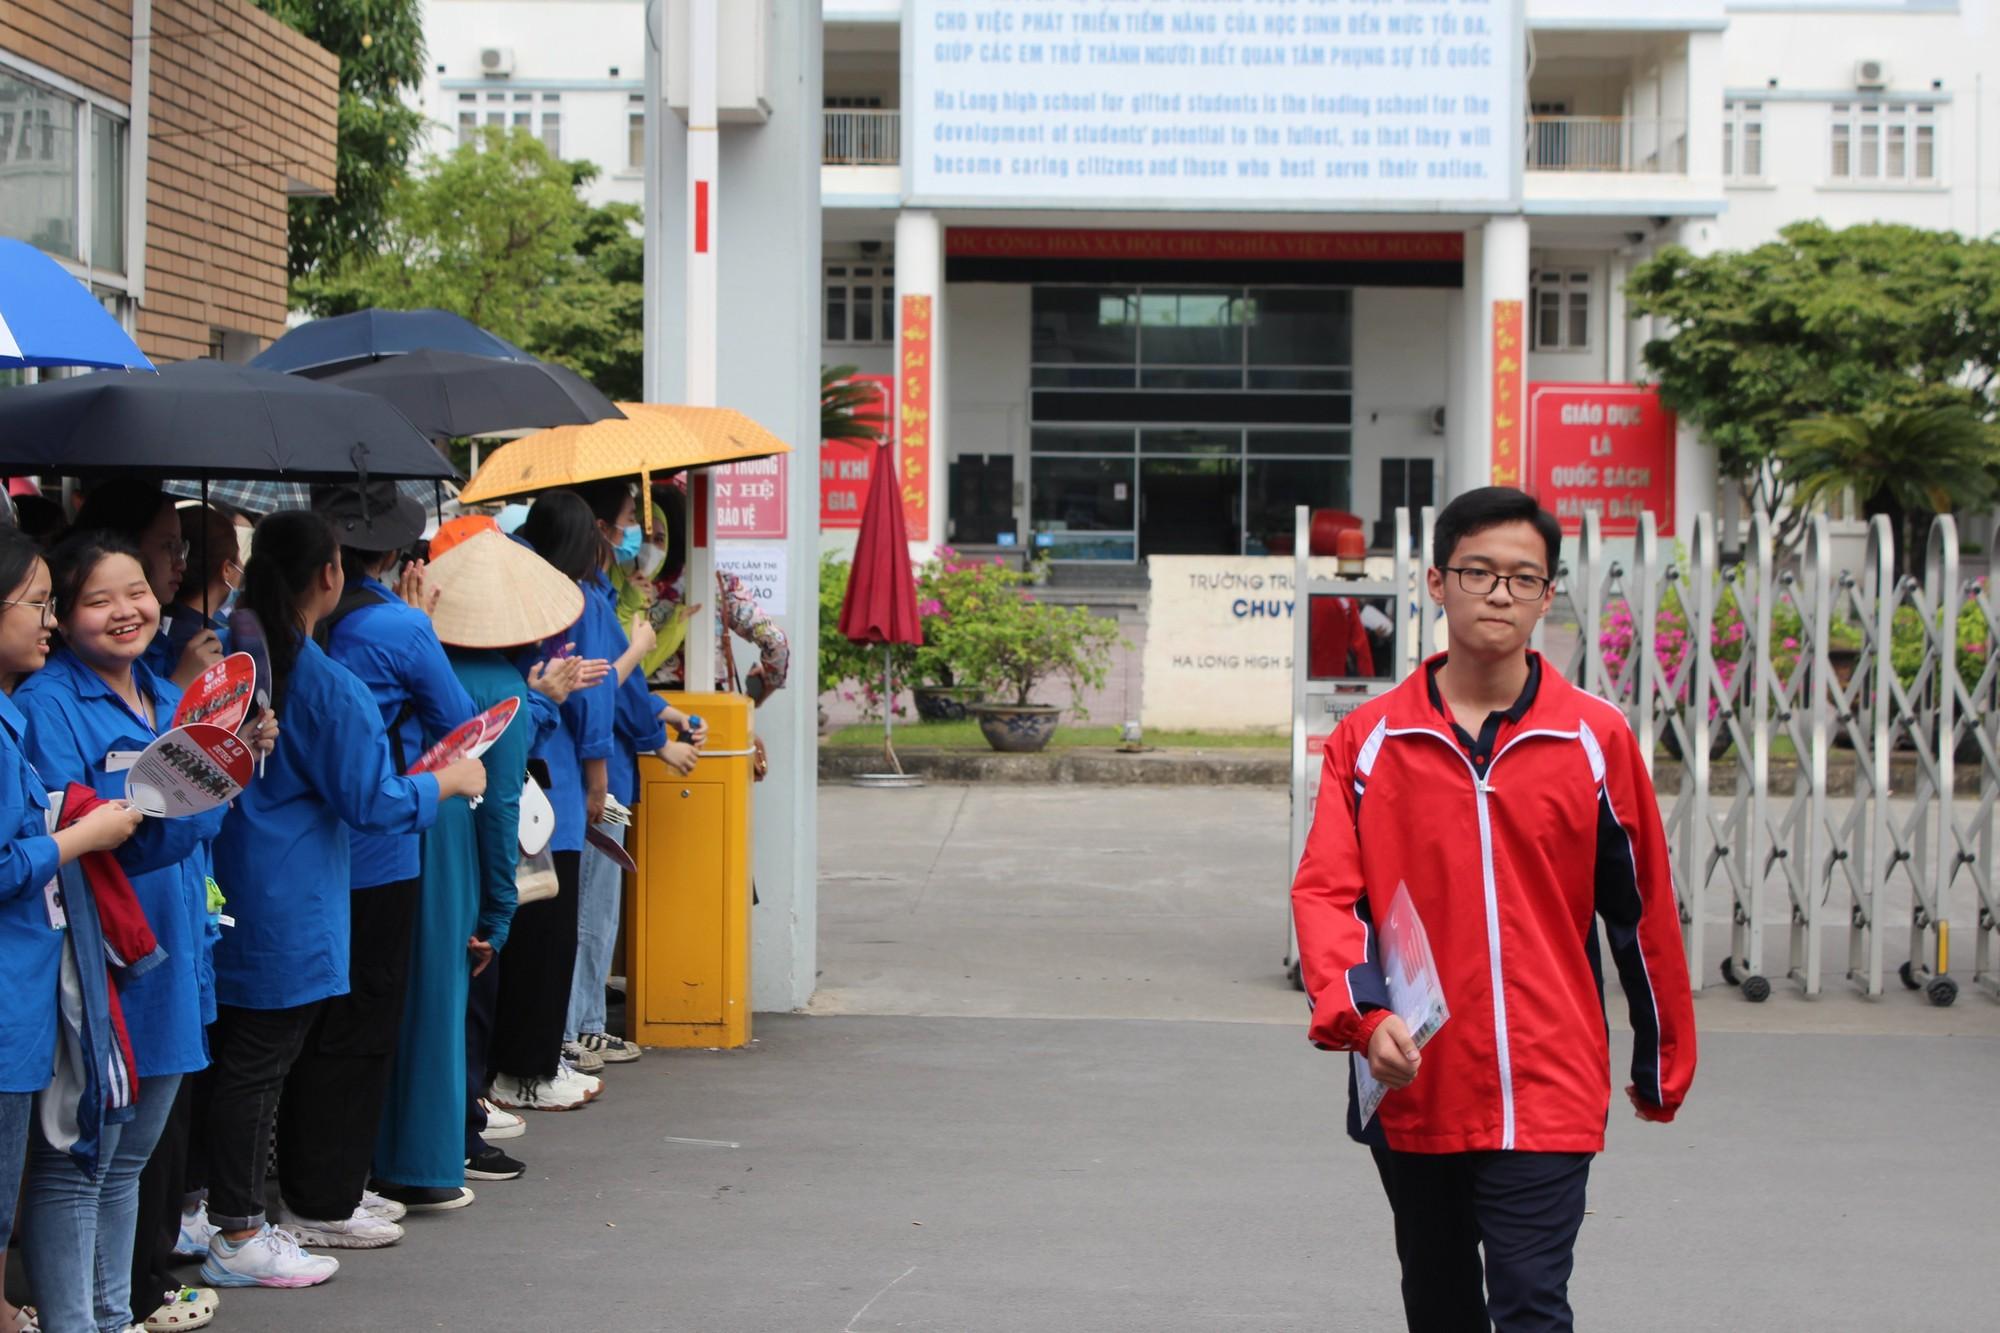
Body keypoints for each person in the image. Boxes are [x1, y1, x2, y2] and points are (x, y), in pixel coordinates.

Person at [1290, 486, 1697, 1332]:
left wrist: (1662, 1060)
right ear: (1437, 583)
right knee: (1439, 1306)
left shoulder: (1595, 737)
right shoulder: (1370, 741)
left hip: (1549, 1080)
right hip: (1414, 1073)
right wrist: (1361, 1018)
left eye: (1524, 577)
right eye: (1478, 572)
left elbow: (1642, 911)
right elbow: (1330, 895)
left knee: (1531, 1306)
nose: (1500, 593)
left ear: (1549, 596)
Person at [199, 510, 486, 1291]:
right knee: (260, 1063)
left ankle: (219, 1211)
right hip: (289, 893)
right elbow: (374, 799)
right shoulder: (323, 683)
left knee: (235, 1058)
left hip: (229, 876)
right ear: (329, 575)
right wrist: (448, 781)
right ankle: (237, 1225)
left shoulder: (230, 653)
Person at [13, 532, 269, 1333]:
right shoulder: (44, 704)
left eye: (136, 592)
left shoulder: (167, 693)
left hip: (174, 955)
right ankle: (76, 1320)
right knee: (77, 1158)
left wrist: (233, 762)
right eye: (95, 599)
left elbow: (188, 823)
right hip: (98, 964)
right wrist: (195, 793)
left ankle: (112, 1312)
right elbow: (97, 831)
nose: (125, 610)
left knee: (127, 1160)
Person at [373, 524, 602, 1204]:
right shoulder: (502, 685)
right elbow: (501, 807)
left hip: (394, 836)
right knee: (444, 1009)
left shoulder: (418, 660)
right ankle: (428, 1158)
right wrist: (500, 910)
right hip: (454, 857)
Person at [0, 527, 147, 1333]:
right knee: (60, 1168)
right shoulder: (36, 707)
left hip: (33, 989)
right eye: (42, 605)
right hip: (17, 993)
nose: (49, 624)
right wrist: (78, 837)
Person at [562, 481, 702, 1071]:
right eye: (625, 524)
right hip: (601, 776)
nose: (635, 539)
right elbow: (602, 693)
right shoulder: (588, 600)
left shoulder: (601, 591)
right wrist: (658, 742)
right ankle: (576, 1027)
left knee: (598, 906)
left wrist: (663, 715)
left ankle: (586, 1022)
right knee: (591, 909)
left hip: (608, 769)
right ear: (597, 528)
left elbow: (626, 691)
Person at [485, 492, 617, 1113]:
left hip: (519, 783)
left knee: (521, 937)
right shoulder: (564, 600)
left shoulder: (516, 586)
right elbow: (594, 692)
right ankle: (531, 1067)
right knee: (546, 936)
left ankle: (524, 1064)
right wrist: (598, 780)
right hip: (549, 787)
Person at [70, 482, 222, 691]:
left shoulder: (158, 645)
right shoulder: (51, 698)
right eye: (168, 546)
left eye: (181, 548)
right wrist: (179, 687)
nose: (181, 563)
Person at [159, 503, 242, 674]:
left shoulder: (152, 628)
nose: (242, 566)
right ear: (226, 569)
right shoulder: (218, 647)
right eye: (238, 557)